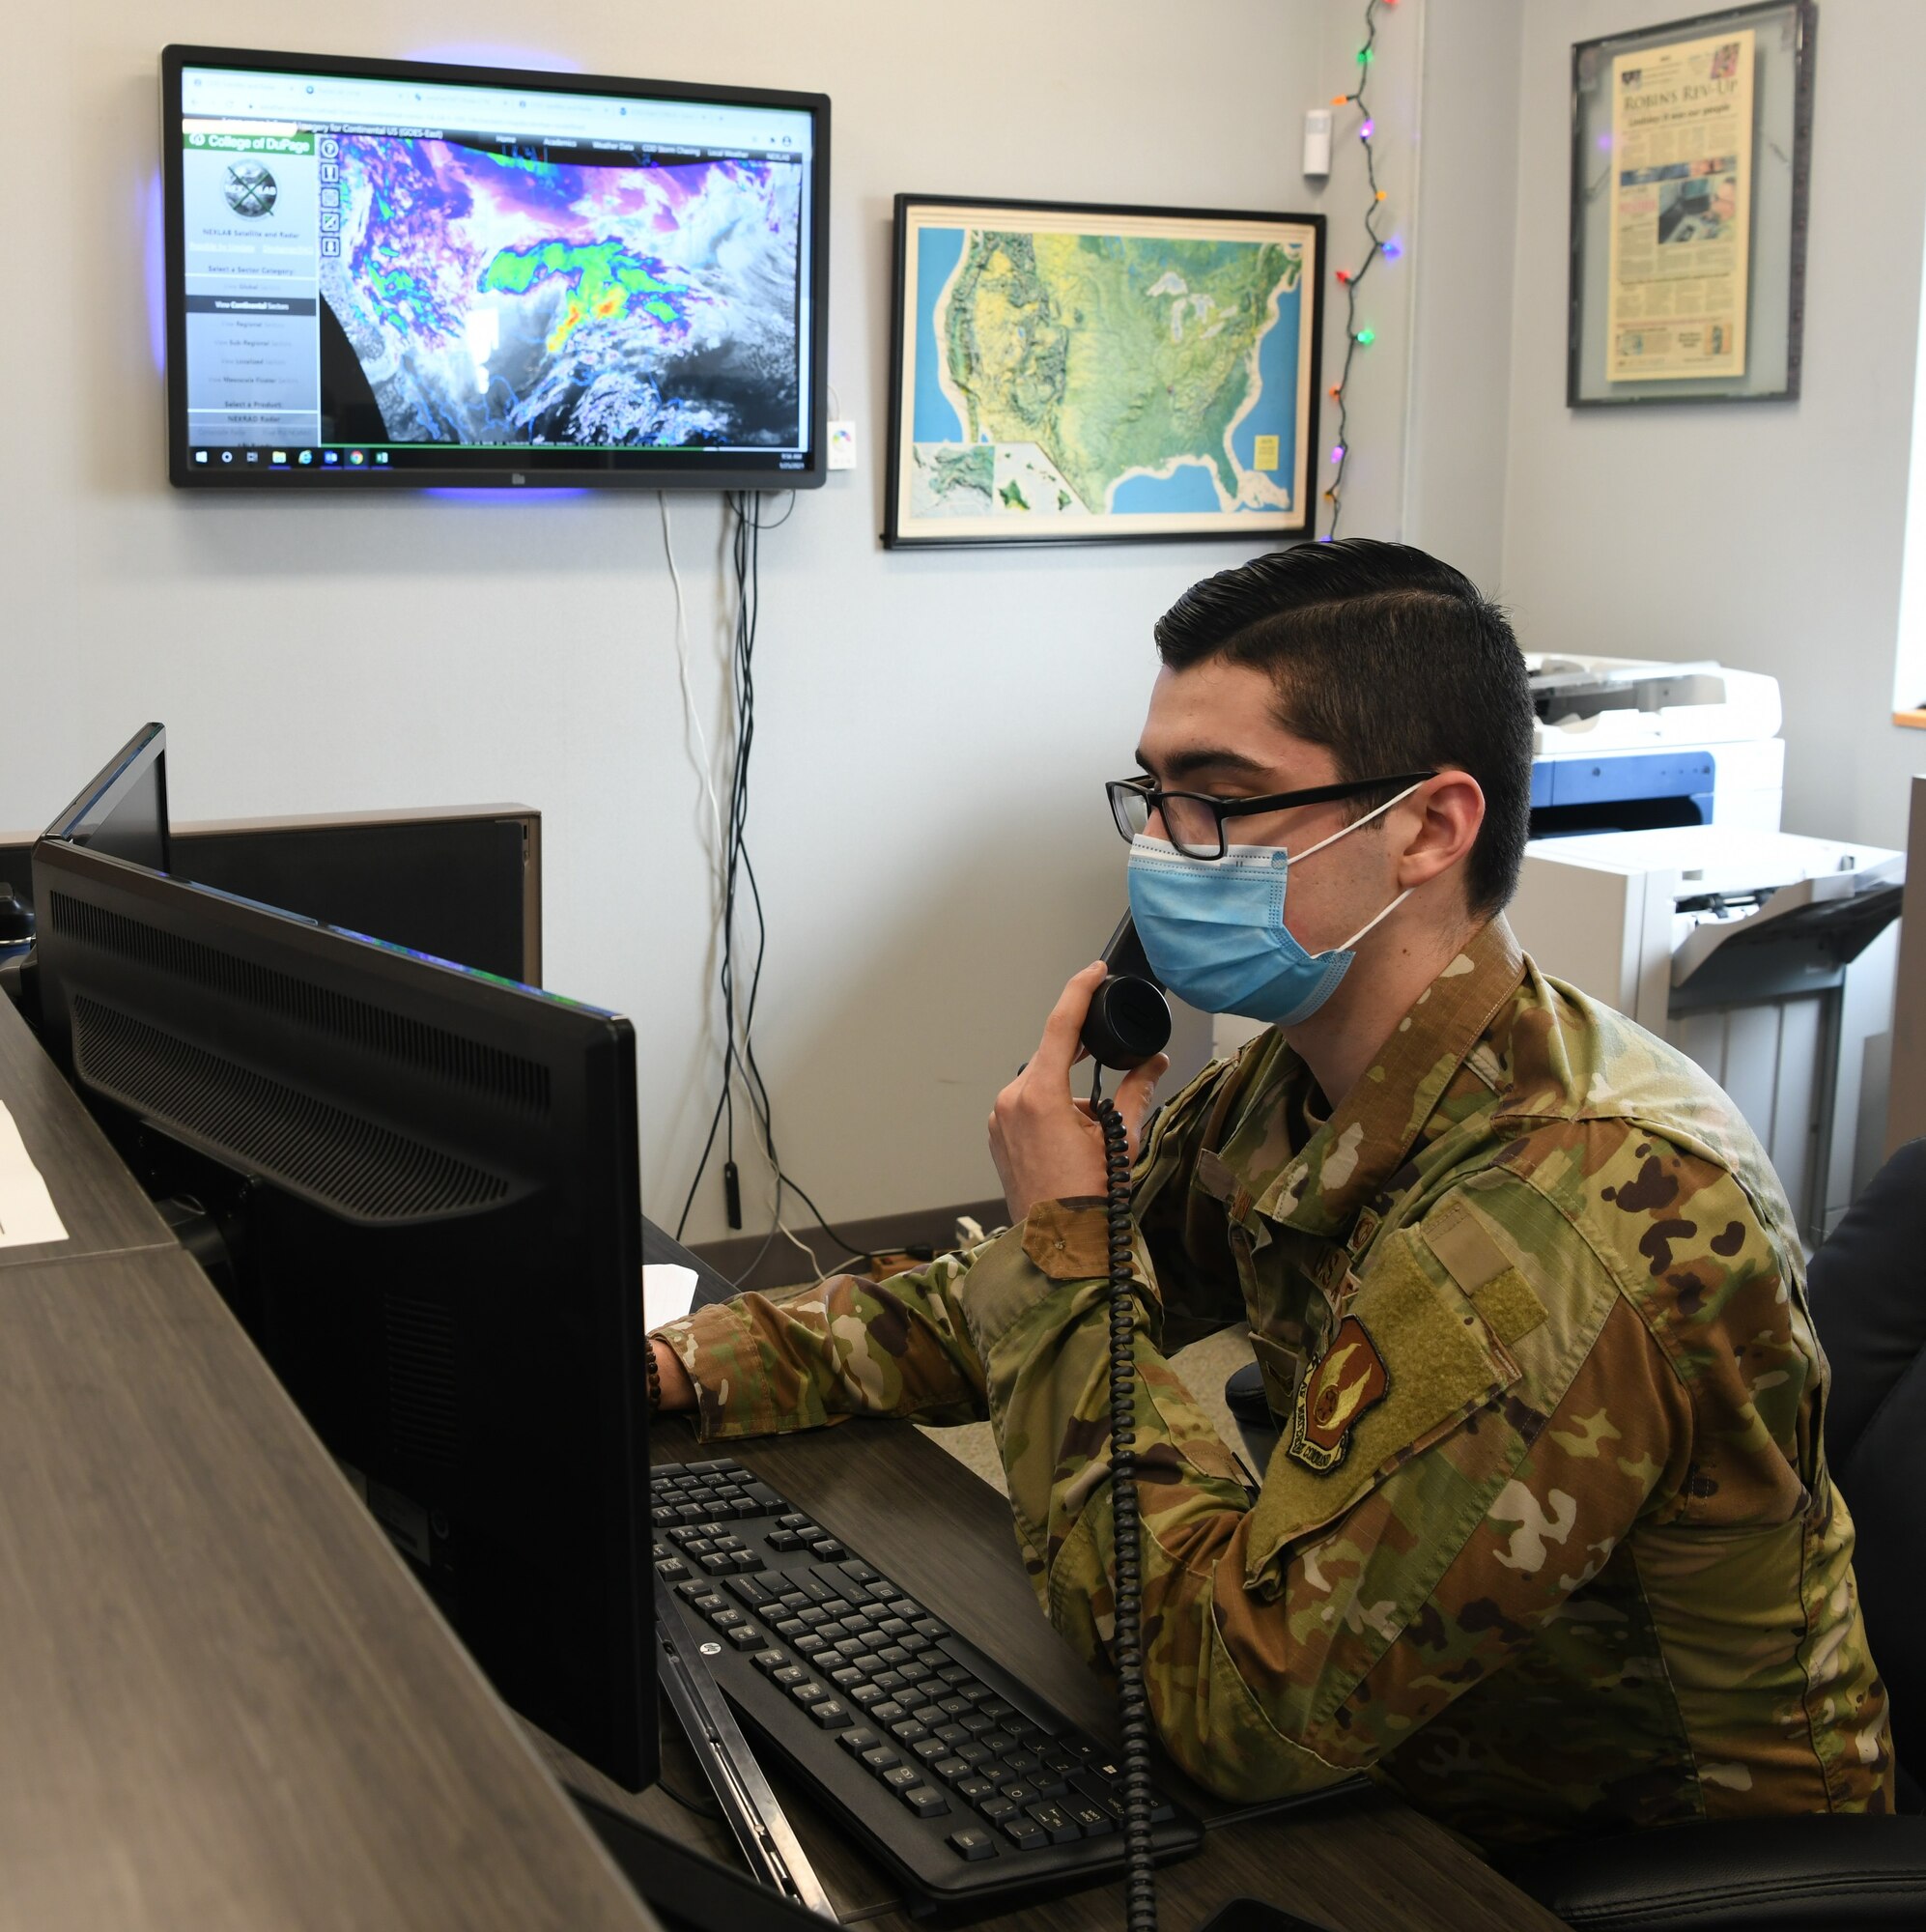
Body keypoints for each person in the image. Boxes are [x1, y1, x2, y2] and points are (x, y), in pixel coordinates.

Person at [648, 541, 1894, 1849]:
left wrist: (1068, 1246)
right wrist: (677, 1363)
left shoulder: (1576, 1203)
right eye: (1155, 794)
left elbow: (1236, 1706)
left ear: (1428, 826)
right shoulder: (1304, 1080)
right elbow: (1000, 1312)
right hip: (1407, 1761)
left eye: (1221, 801)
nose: (1165, 852)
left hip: (1621, 1861)